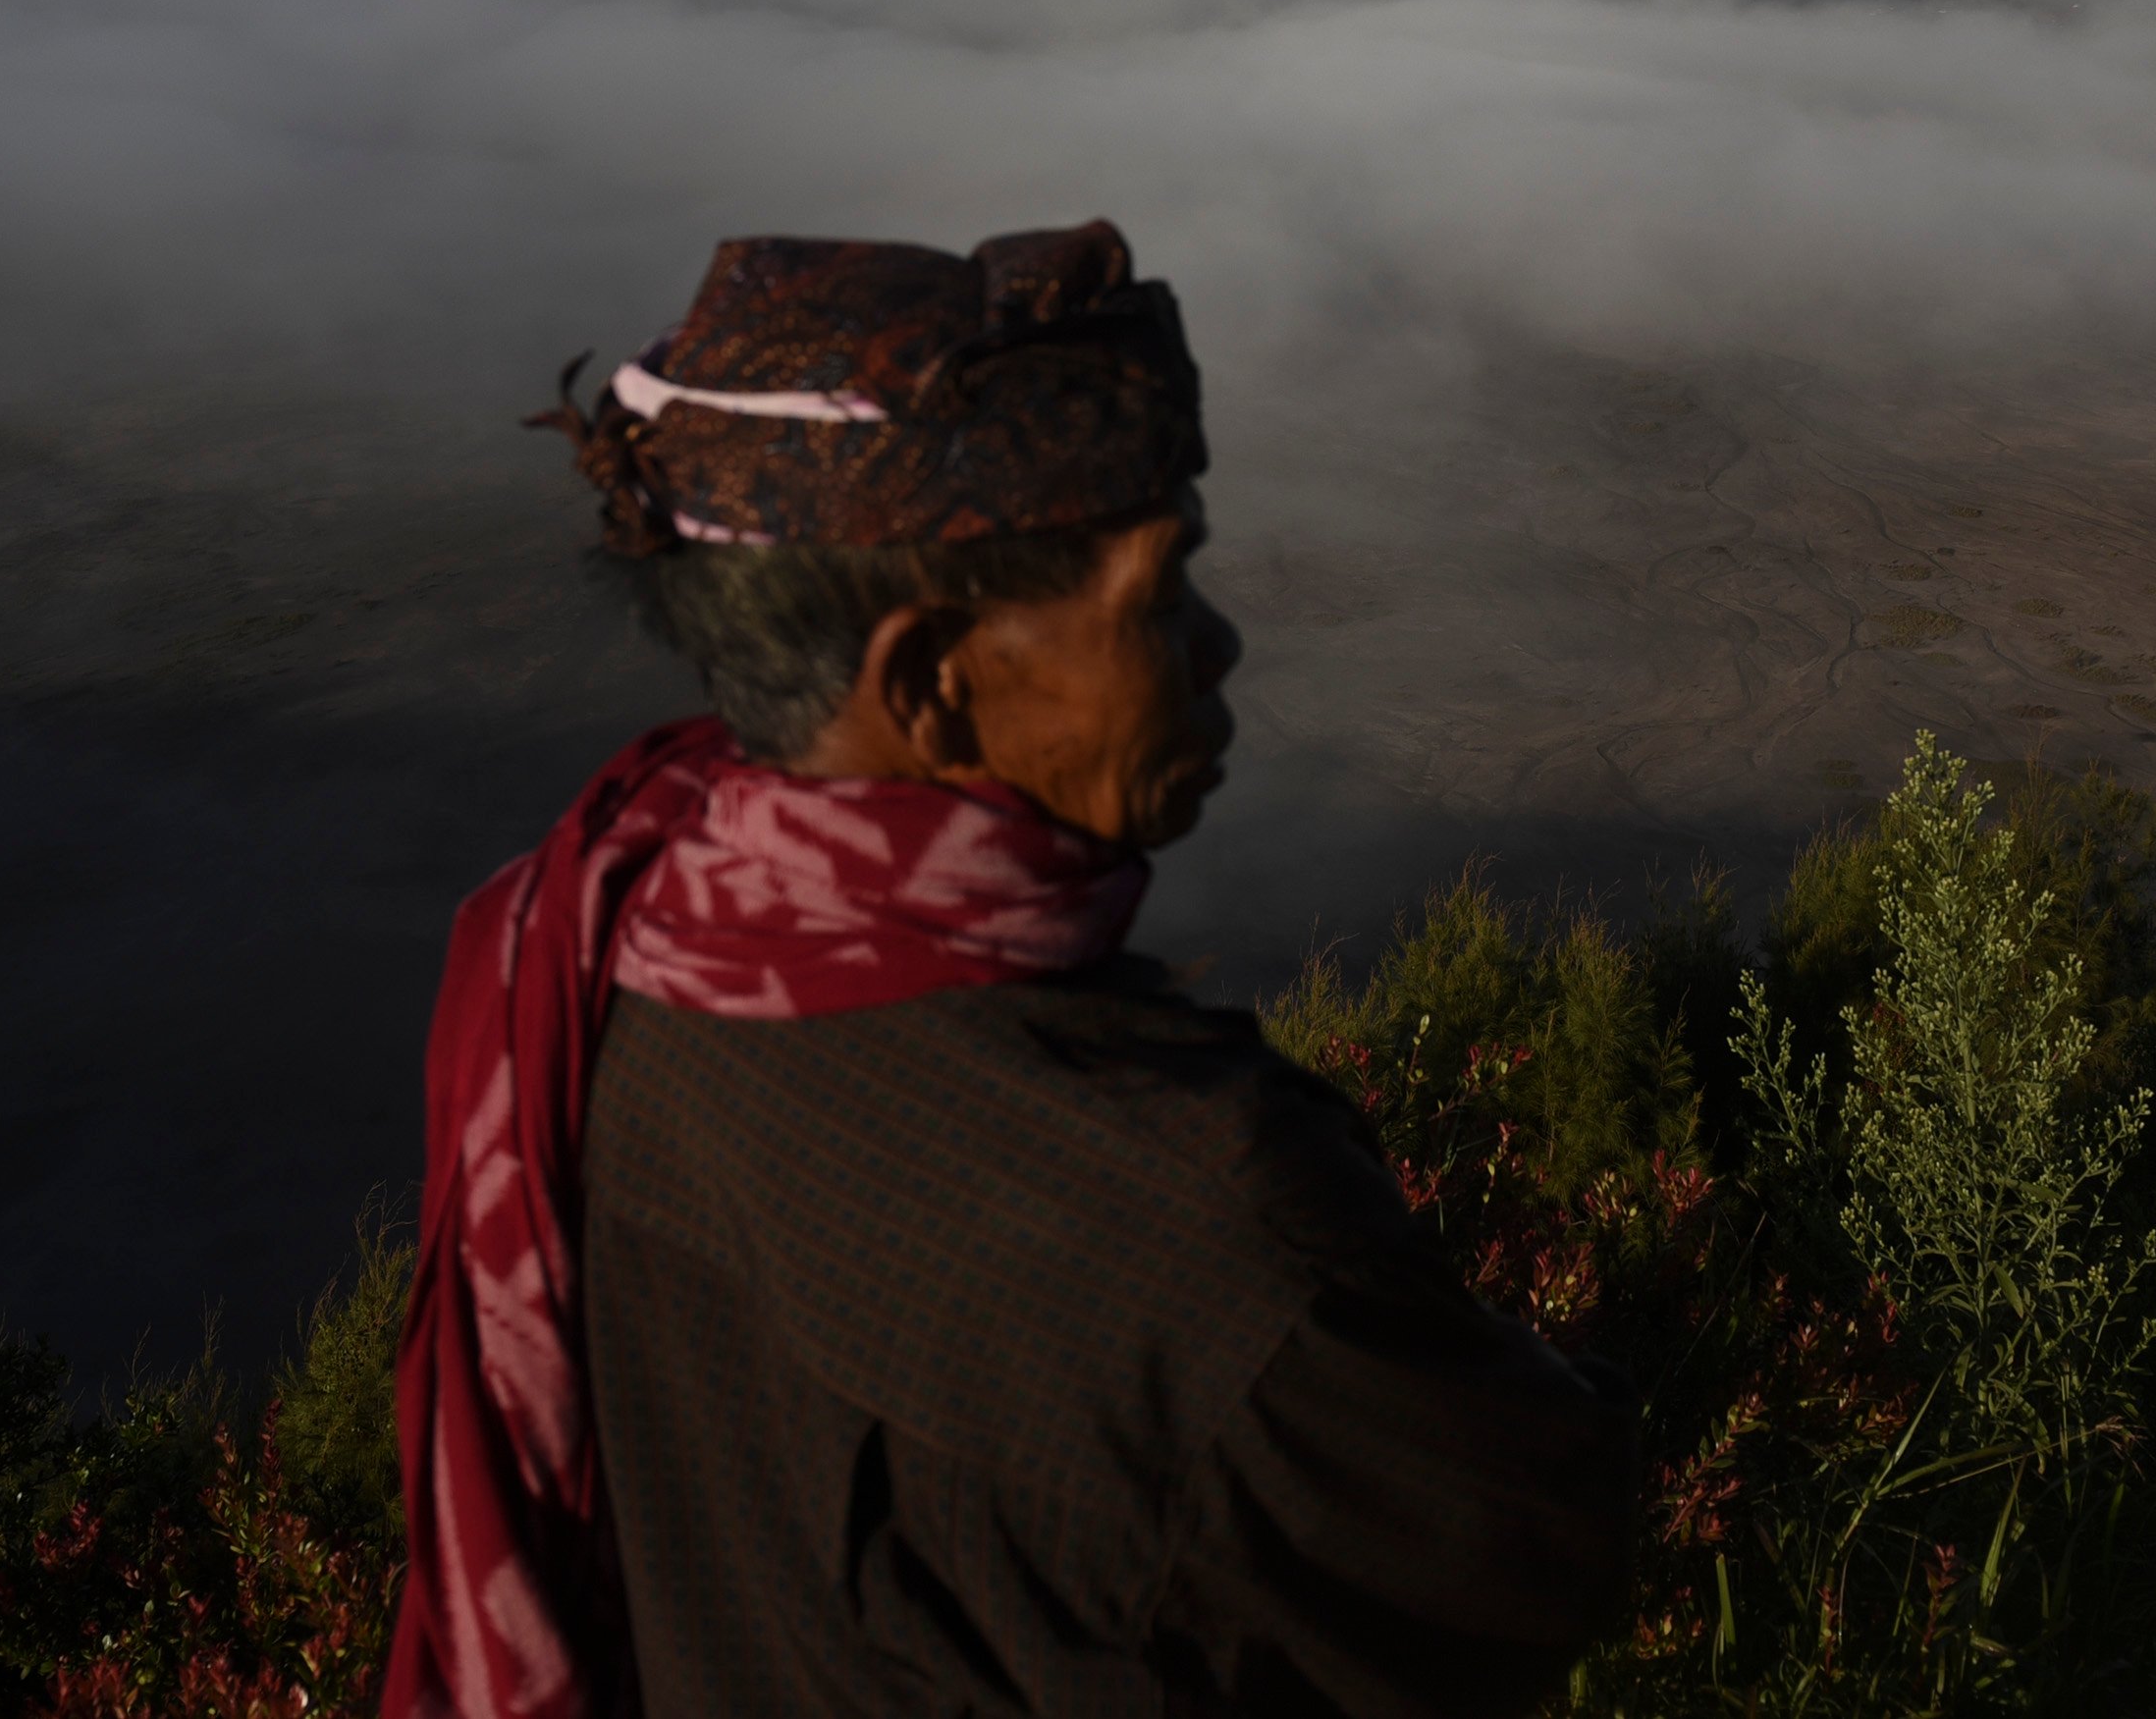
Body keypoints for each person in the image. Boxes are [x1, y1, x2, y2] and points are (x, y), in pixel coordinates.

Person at [384, 222, 1633, 1719]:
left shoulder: (602, 959)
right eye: (1161, 592)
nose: (1220, 645)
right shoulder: (1198, 1218)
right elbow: (1528, 1546)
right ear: (929, 681)